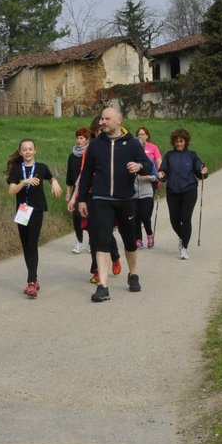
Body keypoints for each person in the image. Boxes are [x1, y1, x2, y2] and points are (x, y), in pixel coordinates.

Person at [73, 104, 153, 302]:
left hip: (126, 199)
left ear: (119, 121)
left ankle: (133, 274)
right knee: (101, 242)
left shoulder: (133, 143)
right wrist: (82, 199)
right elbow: (86, 174)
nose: (102, 122)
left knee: (129, 242)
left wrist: (139, 165)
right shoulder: (95, 145)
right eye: (101, 119)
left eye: (107, 119)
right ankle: (103, 286)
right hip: (100, 200)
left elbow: (148, 166)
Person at [6, 139, 63, 298]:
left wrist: (55, 182)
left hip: (37, 210)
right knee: (25, 246)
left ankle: (31, 282)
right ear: (20, 152)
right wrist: (24, 182)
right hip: (22, 211)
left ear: (35, 150)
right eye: (24, 149)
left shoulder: (42, 167)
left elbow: (51, 178)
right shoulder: (17, 170)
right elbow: (11, 191)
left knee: (32, 243)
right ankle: (34, 279)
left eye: (30, 149)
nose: (28, 152)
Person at [156, 128, 210, 259]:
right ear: (173, 142)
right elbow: (164, 172)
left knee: (185, 218)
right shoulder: (169, 155)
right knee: (174, 220)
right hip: (173, 190)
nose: (179, 144)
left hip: (189, 190)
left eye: (181, 141)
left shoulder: (192, 155)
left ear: (186, 141)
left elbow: (199, 171)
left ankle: (184, 248)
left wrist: (203, 172)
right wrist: (161, 175)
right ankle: (182, 237)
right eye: (176, 141)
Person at [134, 126, 164, 249]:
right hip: (133, 192)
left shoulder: (148, 161)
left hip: (146, 191)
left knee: (145, 216)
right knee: (135, 217)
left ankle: (150, 235)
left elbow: (155, 175)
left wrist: (150, 178)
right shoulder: (128, 161)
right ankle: (138, 240)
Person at [64, 126, 91, 253]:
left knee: (90, 217)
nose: (79, 140)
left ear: (87, 139)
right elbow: (69, 176)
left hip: (89, 189)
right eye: (77, 138)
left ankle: (92, 242)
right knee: (76, 217)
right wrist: (68, 193)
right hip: (76, 189)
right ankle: (80, 241)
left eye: (82, 138)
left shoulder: (90, 153)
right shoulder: (72, 156)